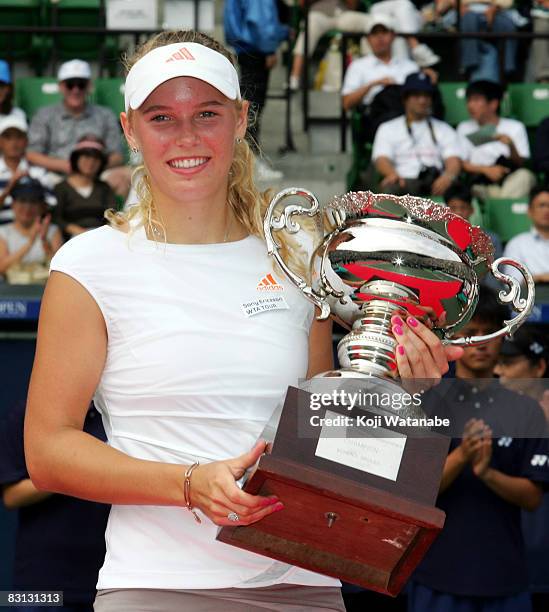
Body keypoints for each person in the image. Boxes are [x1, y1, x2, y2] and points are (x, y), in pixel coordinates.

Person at [24, 30, 461, 611]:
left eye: (207, 113)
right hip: (159, 586)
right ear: (129, 129)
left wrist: (399, 390)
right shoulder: (88, 265)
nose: (186, 137)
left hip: (305, 582)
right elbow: (48, 451)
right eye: (161, 117)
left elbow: (320, 436)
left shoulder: (301, 258)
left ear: (240, 119)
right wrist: (189, 485)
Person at [408, 289, 549, 612]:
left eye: (490, 333)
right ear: (453, 337)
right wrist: (462, 456)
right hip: (437, 577)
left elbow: (532, 498)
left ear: (503, 336)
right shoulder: (427, 401)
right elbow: (415, 493)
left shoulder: (526, 409)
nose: (482, 342)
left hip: (505, 577)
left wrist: (487, 472)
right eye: (471, 334)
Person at [0, 401, 111, 612]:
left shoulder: (116, 418)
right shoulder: (26, 415)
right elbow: (11, 496)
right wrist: (70, 473)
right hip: (38, 584)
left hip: (105, 579)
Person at [495, 327, 549, 612]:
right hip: (511, 563)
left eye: (509, 362)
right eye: (499, 362)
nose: (499, 371)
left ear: (539, 366)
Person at [26, 60, 130, 198]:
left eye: (81, 84)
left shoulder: (105, 115)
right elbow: (32, 154)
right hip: (55, 175)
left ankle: (117, 219)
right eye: (70, 84)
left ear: (89, 86)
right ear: (61, 87)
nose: (75, 90)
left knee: (126, 176)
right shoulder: (44, 115)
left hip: (97, 176)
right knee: (30, 180)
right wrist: (67, 166)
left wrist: (92, 167)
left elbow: (117, 156)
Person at [289, 1, 439, 90]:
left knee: (371, 23)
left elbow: (353, 5)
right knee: (309, 28)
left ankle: (373, 66)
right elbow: (301, 4)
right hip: (318, 13)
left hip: (342, 14)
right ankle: (294, 78)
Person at [224, 0, 289, 181]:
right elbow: (259, 21)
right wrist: (270, 47)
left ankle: (246, 161)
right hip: (256, 48)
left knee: (249, 105)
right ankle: (250, 162)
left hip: (247, 47)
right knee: (251, 108)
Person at [372, 72, 461, 196]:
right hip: (403, 180)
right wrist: (392, 174)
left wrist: (448, 176)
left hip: (436, 182)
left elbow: (453, 159)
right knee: (390, 189)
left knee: (458, 192)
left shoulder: (444, 128)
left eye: (426, 96)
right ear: (405, 99)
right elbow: (381, 159)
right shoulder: (388, 128)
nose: (422, 100)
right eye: (416, 95)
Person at [458, 80, 535, 200]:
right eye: (469, 100)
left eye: (476, 100)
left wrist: (511, 146)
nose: (470, 105)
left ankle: (500, 206)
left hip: (509, 180)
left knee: (525, 176)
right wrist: (486, 170)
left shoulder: (515, 126)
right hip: (479, 183)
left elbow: (521, 163)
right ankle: (503, 209)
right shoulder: (464, 127)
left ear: (493, 104)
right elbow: (461, 162)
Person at [53, 135, 117, 241]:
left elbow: (113, 215)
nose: (91, 162)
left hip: (102, 238)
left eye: (96, 158)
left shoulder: (104, 187)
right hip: (71, 241)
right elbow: (56, 219)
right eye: (86, 156)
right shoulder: (61, 188)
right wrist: (79, 232)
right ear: (76, 159)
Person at [0, 177, 62, 281]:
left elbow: (60, 269)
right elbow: (2, 268)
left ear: (43, 206)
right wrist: (30, 242)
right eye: (22, 200)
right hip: (12, 292)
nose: (27, 207)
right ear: (13, 205)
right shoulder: (3, 232)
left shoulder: (52, 230)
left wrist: (44, 240)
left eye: (33, 201)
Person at [0, 115, 54, 224]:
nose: (13, 143)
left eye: (19, 137)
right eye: (8, 137)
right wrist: (11, 186)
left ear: (26, 141)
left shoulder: (39, 172)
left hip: (32, 231)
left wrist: (33, 187)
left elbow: (50, 207)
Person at [460, 0, 518, 82]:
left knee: (508, 26)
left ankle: (507, 70)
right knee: (469, 19)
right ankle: (470, 65)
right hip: (467, 13)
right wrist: (459, 7)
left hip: (496, 13)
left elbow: (507, 2)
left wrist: (493, 9)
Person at [503, 186, 549, 284]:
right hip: (533, 297)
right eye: (542, 205)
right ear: (529, 211)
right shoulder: (516, 244)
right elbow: (512, 284)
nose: (546, 211)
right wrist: (541, 278)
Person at [444, 183, 502, 258]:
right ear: (446, 210)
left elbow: (497, 268)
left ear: (472, 210)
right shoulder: (440, 236)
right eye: (453, 208)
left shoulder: (491, 239)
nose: (458, 212)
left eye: (463, 207)